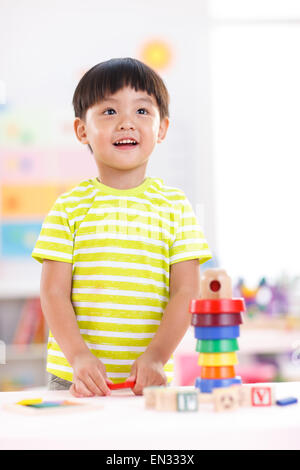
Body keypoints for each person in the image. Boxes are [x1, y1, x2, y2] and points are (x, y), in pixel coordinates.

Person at [32, 57, 212, 397]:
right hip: (75, 377)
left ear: (162, 129)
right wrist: (79, 357)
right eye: (110, 112)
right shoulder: (68, 207)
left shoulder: (175, 207)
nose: (127, 123)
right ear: (82, 129)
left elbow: (186, 292)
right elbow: (54, 293)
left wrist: (157, 356)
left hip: (149, 379)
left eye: (142, 111)